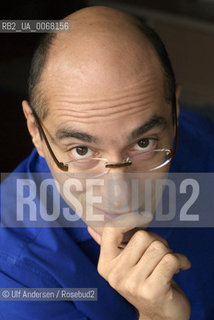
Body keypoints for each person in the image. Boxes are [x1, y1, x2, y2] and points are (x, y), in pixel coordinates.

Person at [1, 6, 214, 320]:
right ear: (35, 130)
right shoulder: (13, 270)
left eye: (144, 143)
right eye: (82, 150)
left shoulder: (202, 141)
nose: (119, 194)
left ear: (175, 114)